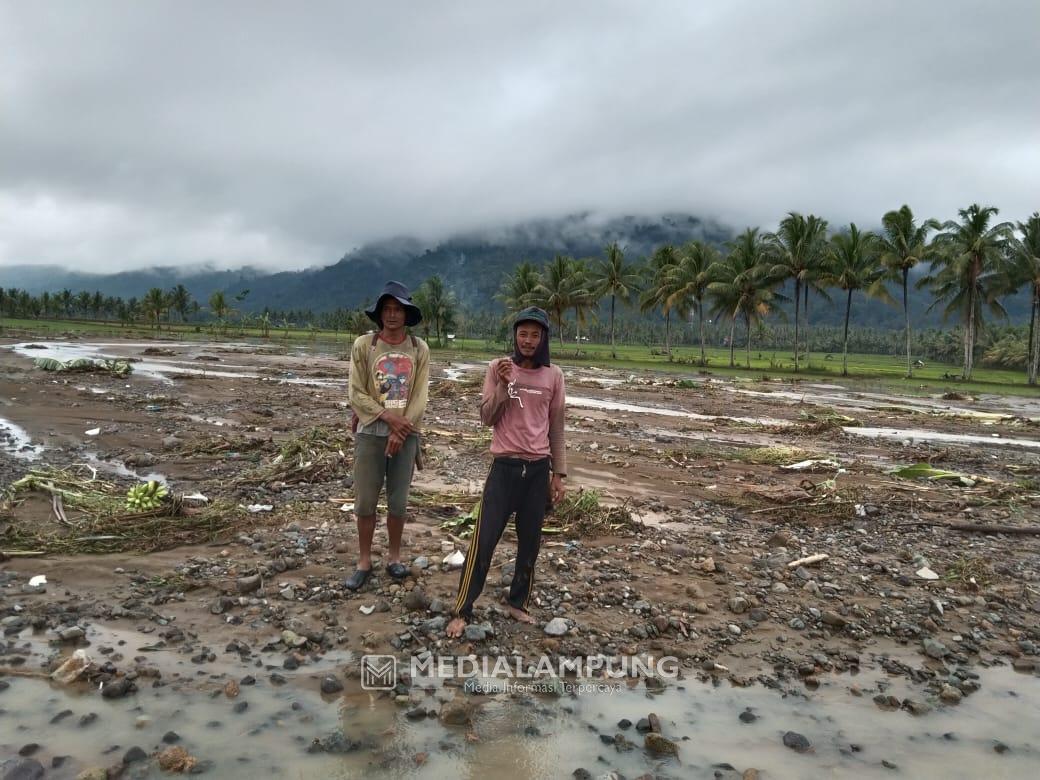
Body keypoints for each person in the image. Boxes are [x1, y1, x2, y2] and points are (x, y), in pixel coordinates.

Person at [446, 306, 567, 637]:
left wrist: (559, 474)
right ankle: (462, 610)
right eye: (522, 333)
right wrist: (502, 385)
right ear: (515, 336)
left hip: (538, 469)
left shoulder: (553, 376)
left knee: (530, 543)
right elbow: (486, 417)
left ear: (543, 339)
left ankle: (518, 603)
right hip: (504, 468)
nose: (528, 341)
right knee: (483, 541)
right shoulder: (497, 368)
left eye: (535, 334)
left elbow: (556, 427)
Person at [344, 281, 429, 590]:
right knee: (365, 501)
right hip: (370, 432)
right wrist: (389, 418)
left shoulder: (419, 348)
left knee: (398, 502)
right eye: (387, 309)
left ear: (407, 314)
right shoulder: (364, 346)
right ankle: (364, 560)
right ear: (380, 314)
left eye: (398, 309)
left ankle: (394, 557)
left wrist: (402, 427)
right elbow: (356, 393)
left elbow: (420, 396)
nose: (392, 315)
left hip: (407, 433)